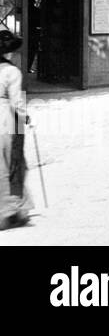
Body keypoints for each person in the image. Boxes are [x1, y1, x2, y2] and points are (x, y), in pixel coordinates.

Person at [0, 30, 31, 230]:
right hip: (6, 120)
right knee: (15, 164)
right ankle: (12, 211)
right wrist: (25, 118)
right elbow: (17, 102)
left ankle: (15, 209)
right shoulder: (12, 72)